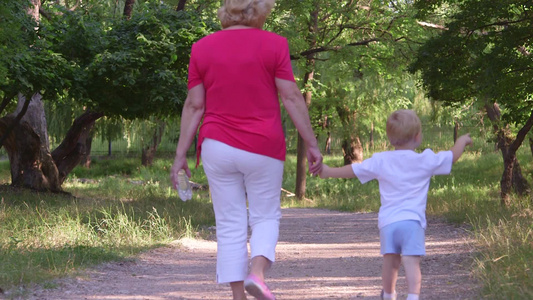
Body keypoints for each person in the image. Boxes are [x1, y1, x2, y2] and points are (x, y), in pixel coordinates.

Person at [170, 0, 323, 299]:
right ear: (260, 10)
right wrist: (312, 144)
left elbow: (194, 104)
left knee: (229, 222)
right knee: (265, 216)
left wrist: (179, 157)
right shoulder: (274, 44)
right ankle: (258, 274)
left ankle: (238, 296)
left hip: (216, 145)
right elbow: (291, 97)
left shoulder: (202, 48)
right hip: (262, 145)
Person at [319, 110, 472, 300]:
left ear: (390, 138)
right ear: (417, 136)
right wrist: (463, 140)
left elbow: (354, 170)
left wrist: (328, 171)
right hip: (412, 223)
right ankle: (413, 297)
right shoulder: (425, 159)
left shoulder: (381, 160)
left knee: (390, 263)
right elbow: (452, 156)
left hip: (389, 223)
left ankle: (389, 294)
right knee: (411, 263)